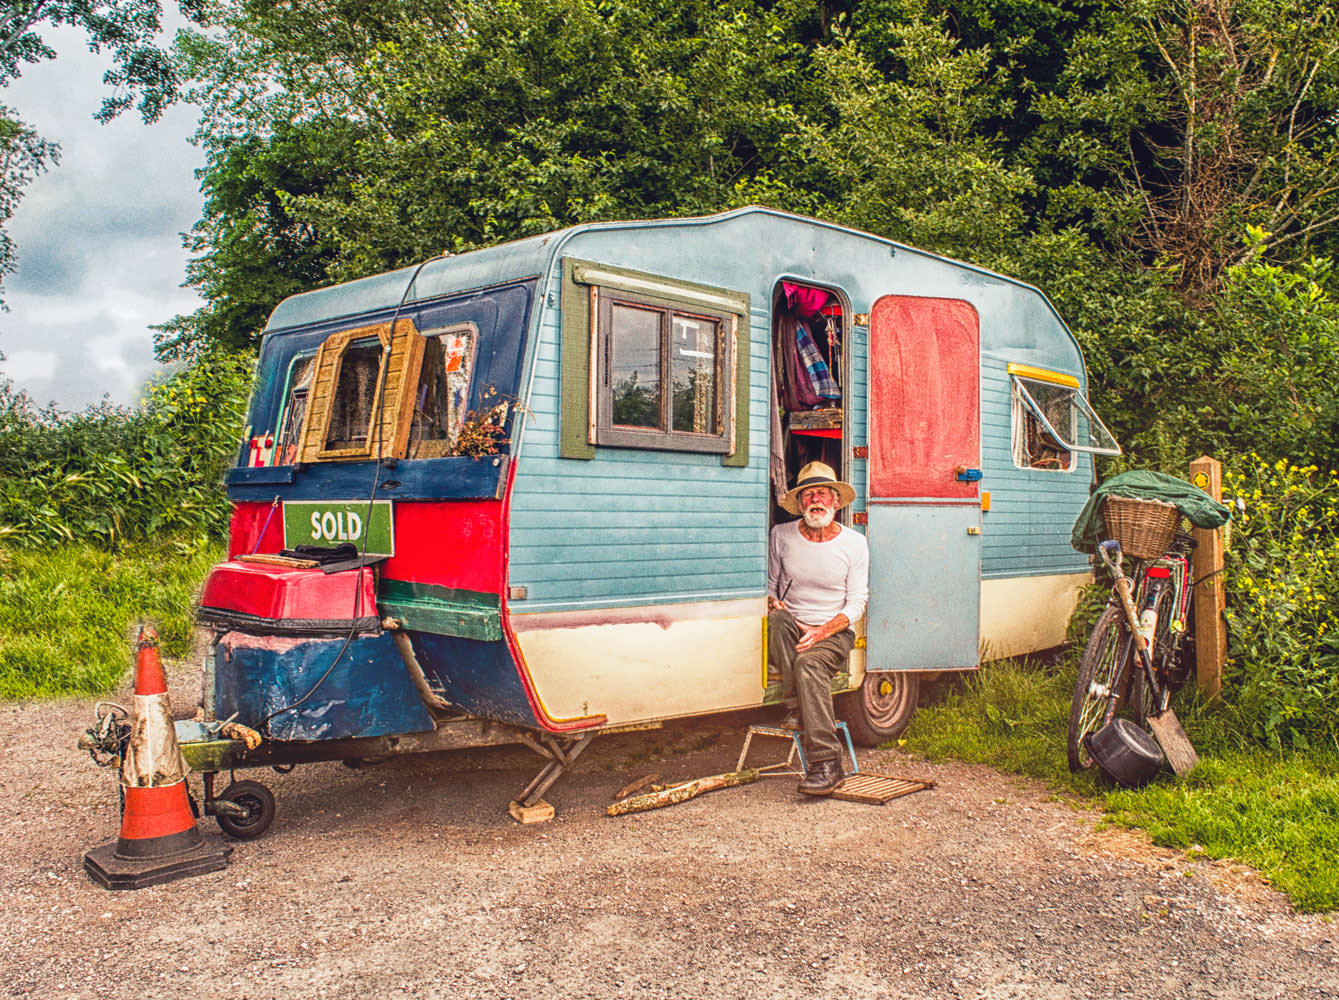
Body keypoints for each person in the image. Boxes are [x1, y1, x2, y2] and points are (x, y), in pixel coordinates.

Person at [767, 461, 869, 796]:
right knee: (777, 622)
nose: (815, 500)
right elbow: (770, 585)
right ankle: (799, 706)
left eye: (822, 493)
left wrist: (823, 631)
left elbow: (857, 602)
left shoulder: (854, 543)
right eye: (808, 494)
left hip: (834, 633)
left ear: (835, 501)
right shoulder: (780, 535)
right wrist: (773, 602)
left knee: (809, 663)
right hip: (792, 626)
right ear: (799, 504)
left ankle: (827, 763)